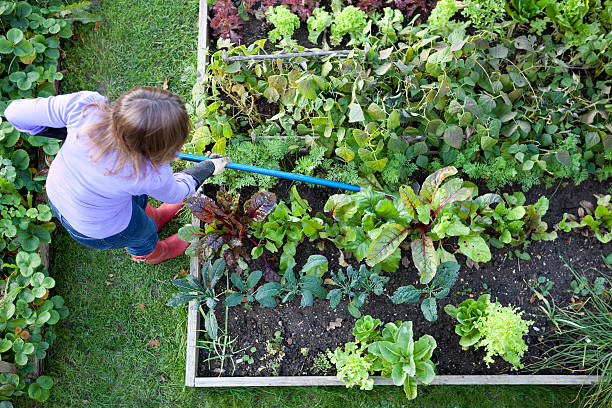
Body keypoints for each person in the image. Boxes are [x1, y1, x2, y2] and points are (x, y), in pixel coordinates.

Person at [4, 87, 231, 264]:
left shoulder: (85, 107)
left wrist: (66, 132)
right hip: (96, 227)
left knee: (134, 202)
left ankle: (154, 216)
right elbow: (177, 192)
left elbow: (13, 113)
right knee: (142, 233)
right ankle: (154, 253)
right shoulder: (149, 172)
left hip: (60, 192)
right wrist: (208, 167)